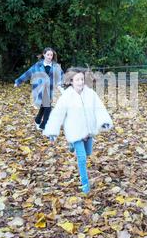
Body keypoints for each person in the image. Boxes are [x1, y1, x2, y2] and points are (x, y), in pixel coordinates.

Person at [43, 67, 113, 195]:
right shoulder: (66, 97)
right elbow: (57, 114)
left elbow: (99, 108)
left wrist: (104, 121)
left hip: (88, 131)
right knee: (81, 158)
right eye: (77, 80)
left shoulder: (91, 94)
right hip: (74, 131)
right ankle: (85, 184)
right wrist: (52, 131)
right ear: (71, 81)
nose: (80, 82)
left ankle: (71, 145)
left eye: (82, 79)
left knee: (88, 153)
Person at [14, 47, 64, 130]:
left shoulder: (56, 66)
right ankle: (44, 125)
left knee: (45, 106)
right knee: (47, 106)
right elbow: (28, 73)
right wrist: (18, 81)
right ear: (44, 55)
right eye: (48, 54)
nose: (49, 56)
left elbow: (62, 76)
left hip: (50, 90)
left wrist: (61, 85)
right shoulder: (37, 65)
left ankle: (37, 120)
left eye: (51, 55)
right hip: (39, 90)